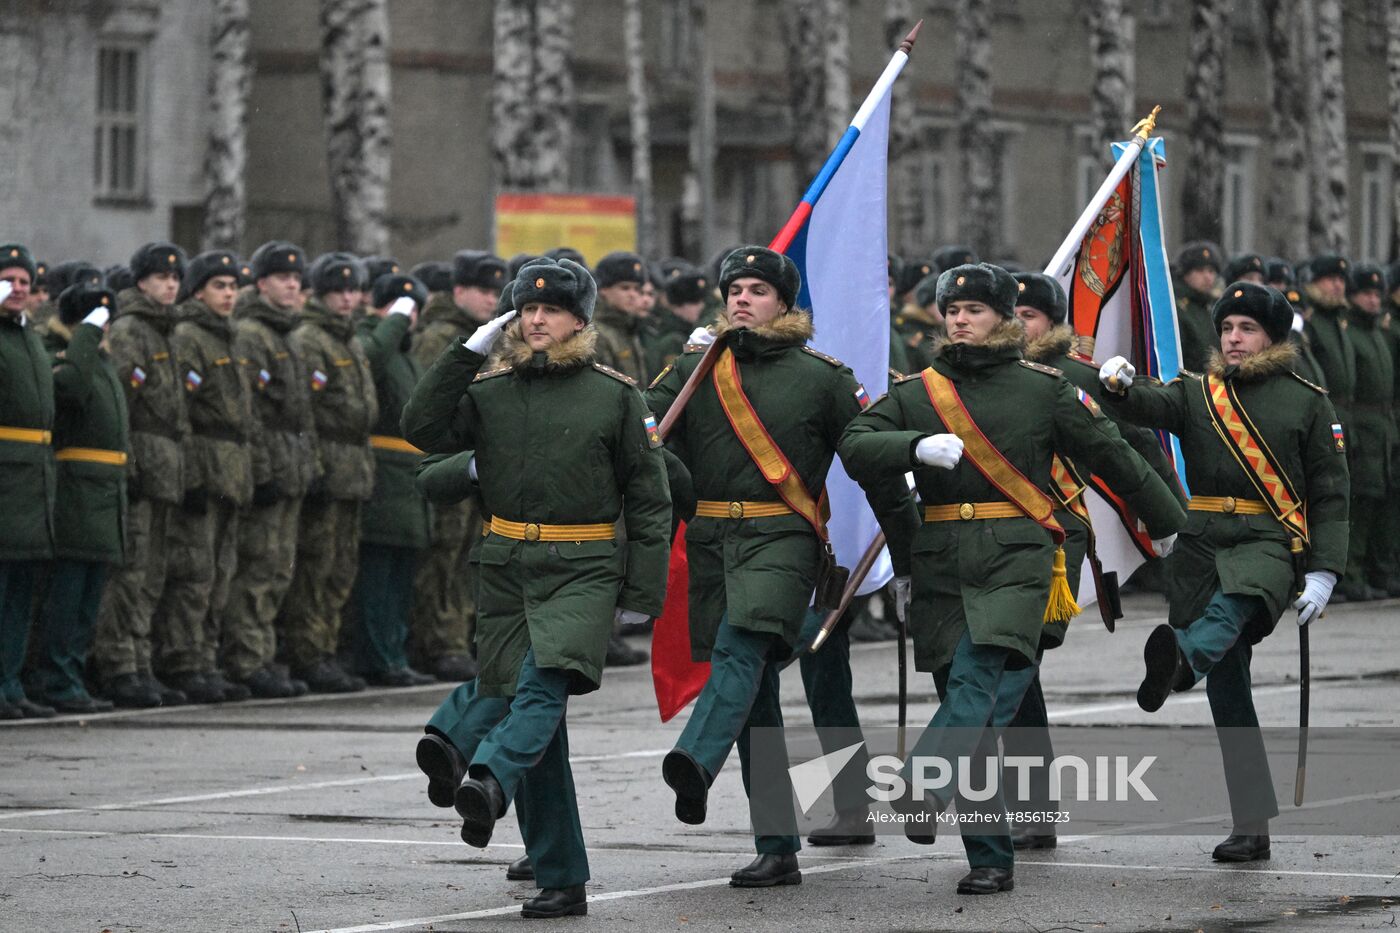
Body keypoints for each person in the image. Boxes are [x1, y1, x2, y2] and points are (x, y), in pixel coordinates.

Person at [838, 263, 1185, 895]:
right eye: (952, 310)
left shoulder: (1044, 389)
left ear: (1002, 316)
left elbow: (1115, 454)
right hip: (943, 557)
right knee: (962, 701)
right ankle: (990, 857)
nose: (959, 318)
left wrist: (1165, 520)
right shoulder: (920, 392)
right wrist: (913, 446)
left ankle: (924, 783)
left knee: (977, 676)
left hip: (1020, 556)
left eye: (973, 308)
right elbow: (856, 442)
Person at [403, 256, 671, 918]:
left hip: (582, 566)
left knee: (543, 684)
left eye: (551, 309)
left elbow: (649, 499)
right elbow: (420, 428)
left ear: (580, 319)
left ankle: (488, 774)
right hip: (505, 564)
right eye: (526, 309)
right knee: (538, 727)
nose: (537, 319)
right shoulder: (490, 392)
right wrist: (468, 351)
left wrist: (644, 590)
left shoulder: (615, 395)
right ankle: (561, 875)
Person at [647, 246, 919, 888]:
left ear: (785, 304)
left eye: (757, 290)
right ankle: (777, 845)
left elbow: (870, 460)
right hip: (713, 540)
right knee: (755, 698)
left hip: (782, 537)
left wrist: (907, 558)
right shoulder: (693, 369)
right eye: (733, 288)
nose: (742, 298)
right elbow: (642, 441)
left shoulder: (821, 376)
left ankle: (695, 760)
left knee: (744, 650)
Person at [1098, 282, 1348, 863]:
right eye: (1228, 329)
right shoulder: (1197, 392)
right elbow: (1146, 405)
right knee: (1230, 690)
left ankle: (1182, 659)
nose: (1234, 340)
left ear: (1272, 336)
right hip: (1202, 541)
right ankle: (1251, 822)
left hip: (1269, 539)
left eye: (1248, 330)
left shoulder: (1308, 402)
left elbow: (1332, 495)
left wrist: (1325, 572)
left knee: (1235, 604)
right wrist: (1117, 383)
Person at [1009, 271, 1187, 848]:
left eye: (1028, 315)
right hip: (982, 541)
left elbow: (1132, 450)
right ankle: (1030, 808)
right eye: (1007, 312)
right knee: (1010, 674)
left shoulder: (1077, 379)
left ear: (1052, 323)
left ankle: (1025, 807)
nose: (1016, 324)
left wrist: (1167, 519)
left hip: (1054, 540)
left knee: (1013, 669)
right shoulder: (966, 384)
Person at [92, 242, 191, 709]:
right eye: (159, 276)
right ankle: (118, 663)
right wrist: (127, 465)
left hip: (164, 466)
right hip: (142, 465)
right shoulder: (133, 330)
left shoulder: (165, 331)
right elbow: (123, 408)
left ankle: (139, 661)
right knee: (129, 573)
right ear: (140, 282)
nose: (170, 284)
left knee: (151, 574)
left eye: (175, 277)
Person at [155, 250, 257, 704]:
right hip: (204, 465)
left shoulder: (229, 337)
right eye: (219, 285)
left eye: (233, 286)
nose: (229, 293)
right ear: (198, 291)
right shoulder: (189, 337)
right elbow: (184, 415)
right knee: (193, 573)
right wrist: (192, 477)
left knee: (220, 572)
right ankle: (184, 659)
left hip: (230, 468)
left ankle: (205, 656)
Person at [222, 241, 318, 698]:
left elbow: (301, 416)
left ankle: (262, 654)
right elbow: (252, 412)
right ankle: (247, 658)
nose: (293, 285)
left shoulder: (286, 333)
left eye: (297, 279)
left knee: (280, 568)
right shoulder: (252, 334)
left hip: (291, 465)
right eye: (283, 278)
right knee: (258, 568)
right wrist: (261, 471)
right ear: (260, 283)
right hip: (271, 468)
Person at [407, 250, 508, 683]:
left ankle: (459, 634)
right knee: (444, 555)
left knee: (467, 554)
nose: (491, 300)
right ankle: (440, 640)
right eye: (483, 291)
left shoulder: (485, 335)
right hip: (450, 458)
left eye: (495, 292)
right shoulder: (441, 337)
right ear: (459, 290)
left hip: (480, 460)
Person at [282, 252, 377, 692]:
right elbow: (308, 412)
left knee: (340, 568)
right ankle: (308, 651)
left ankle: (327, 646)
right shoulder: (311, 339)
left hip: (352, 469)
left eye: (353, 289)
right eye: (337, 290)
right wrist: (315, 466)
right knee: (315, 569)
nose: (347, 297)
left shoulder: (349, 340)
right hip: (327, 466)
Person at [29, 284, 125, 714]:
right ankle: (56, 678)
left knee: (88, 596)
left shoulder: (97, 359)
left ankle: (72, 676)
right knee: (67, 596)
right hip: (76, 490)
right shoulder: (61, 354)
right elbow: (69, 390)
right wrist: (85, 336)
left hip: (103, 490)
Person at [350, 273, 434, 686]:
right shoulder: (373, 341)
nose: (409, 318)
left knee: (400, 576)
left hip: (409, 479)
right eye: (402, 308)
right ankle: (376, 656)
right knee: (378, 575)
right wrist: (391, 321)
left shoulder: (406, 356)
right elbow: (367, 363)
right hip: (385, 477)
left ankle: (393, 653)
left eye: (414, 310)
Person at [0, 243, 58, 719]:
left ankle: (10, 681)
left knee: (20, 590)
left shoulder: (28, 338)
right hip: (5, 477)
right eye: (8, 280)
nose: (18, 289)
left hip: (32, 479)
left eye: (25, 281)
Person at [1337, 264, 1392, 602]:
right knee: (1356, 503)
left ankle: (1370, 571)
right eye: (1366, 294)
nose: (1373, 300)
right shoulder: (1350, 332)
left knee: (1375, 502)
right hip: (1357, 424)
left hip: (1380, 429)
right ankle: (1350, 573)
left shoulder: (1376, 333)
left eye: (1377, 294)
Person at [591, 251, 651, 386]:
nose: (632, 294)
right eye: (625, 288)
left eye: (637, 289)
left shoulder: (628, 326)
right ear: (603, 290)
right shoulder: (595, 333)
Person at [1174, 241, 1224, 373]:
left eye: (1211, 271)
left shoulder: (1213, 307)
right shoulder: (1177, 308)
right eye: (1200, 270)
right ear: (1185, 274)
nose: (1207, 277)